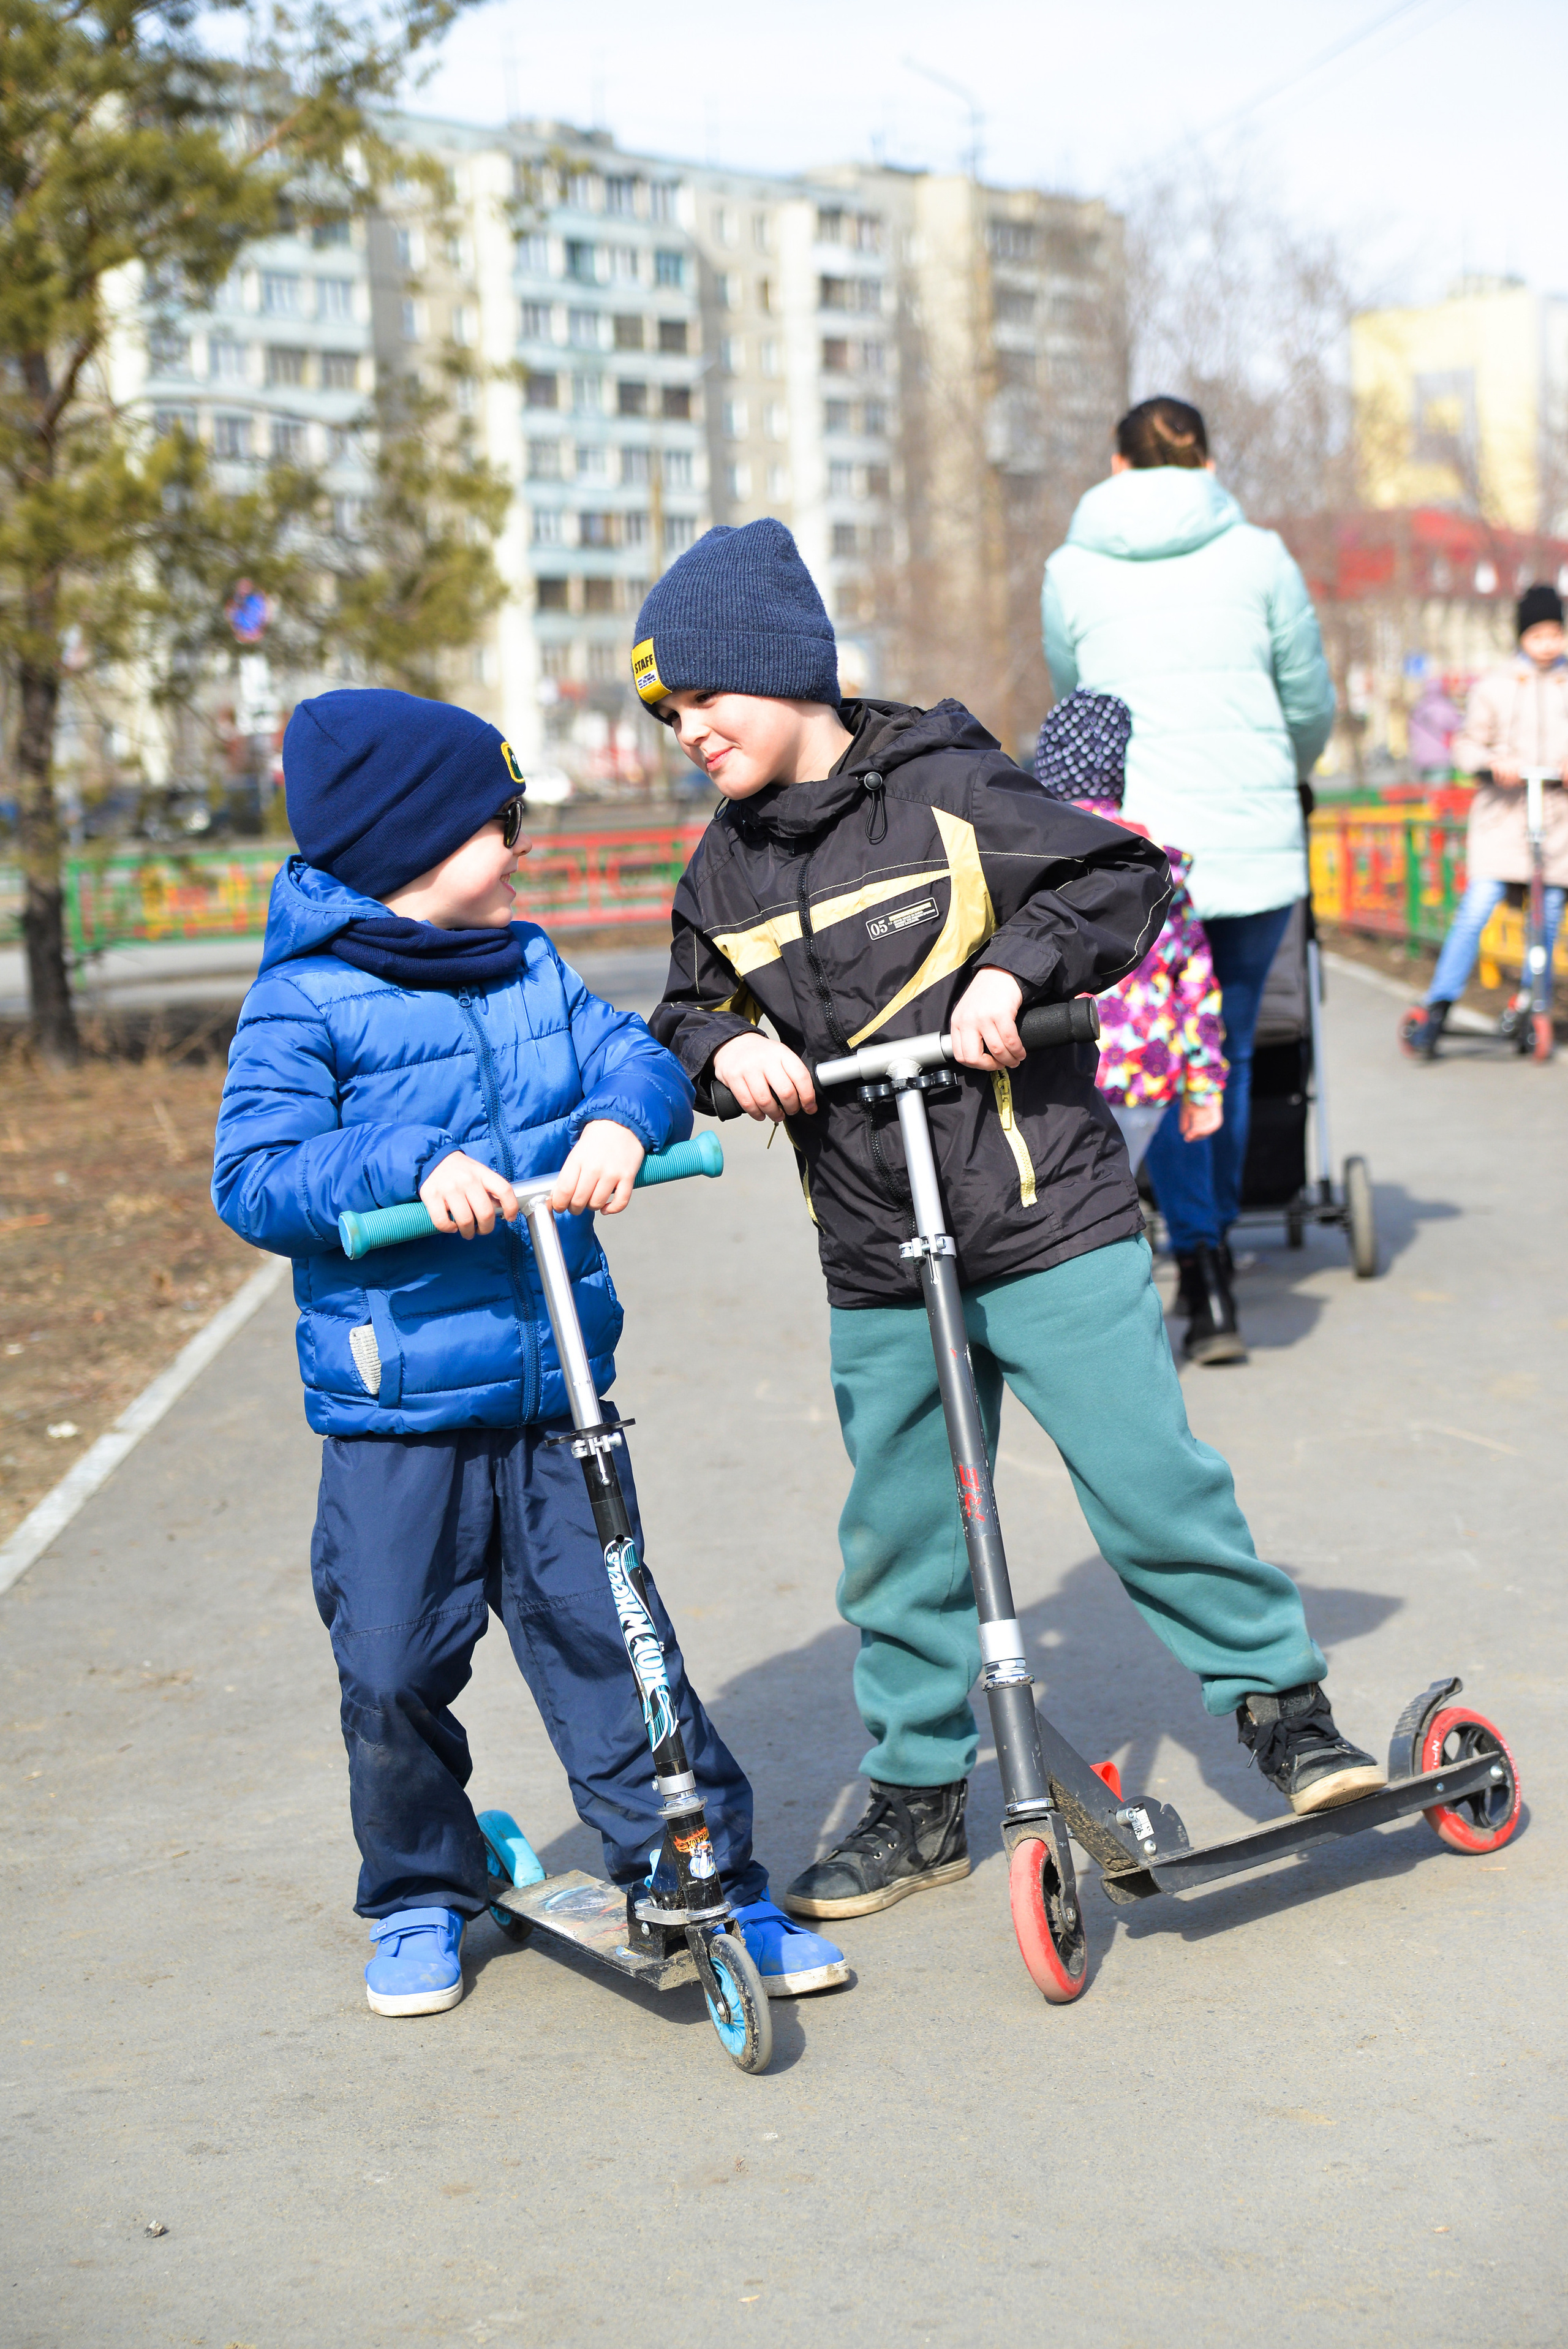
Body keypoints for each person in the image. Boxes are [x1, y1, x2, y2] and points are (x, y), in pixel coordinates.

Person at [643, 518, 1382, 1924]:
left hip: (1044, 1213)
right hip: (874, 1245)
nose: (686, 729)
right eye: (665, 710)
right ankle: (918, 1795)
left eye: (700, 698)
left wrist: (1011, 967)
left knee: (1147, 1480)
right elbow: (684, 1001)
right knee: (901, 1533)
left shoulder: (945, 785)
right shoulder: (723, 867)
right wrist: (714, 1051)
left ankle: (1283, 1711)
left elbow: (1117, 875)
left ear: (781, 671)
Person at [211, 687, 848, 2014]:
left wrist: (623, 1119)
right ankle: (420, 1890)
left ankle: (706, 1880)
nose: (521, 851)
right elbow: (257, 1177)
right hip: (398, 1413)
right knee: (388, 1665)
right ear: (413, 847)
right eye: (501, 828)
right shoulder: (304, 1004)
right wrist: (403, 1164)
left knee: (617, 1647)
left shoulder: (532, 971)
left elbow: (633, 1056)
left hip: (552, 1387)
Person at [1041, 396, 1336, 1360]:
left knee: (1154, 1056)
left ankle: (1192, 1251)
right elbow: (1306, 699)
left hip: (1137, 854)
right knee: (1231, 1049)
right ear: (1206, 460)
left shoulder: (1072, 570)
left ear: (1117, 466)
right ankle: (1215, 1267)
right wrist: (1279, 768)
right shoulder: (1262, 556)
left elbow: (1075, 703)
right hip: (1250, 839)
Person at [1034, 690, 1234, 1361]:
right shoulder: (1154, 863)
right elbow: (1195, 983)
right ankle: (1211, 1305)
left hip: (1066, 1066)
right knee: (1141, 1187)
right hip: (1150, 1069)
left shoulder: (1029, 861)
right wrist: (1203, 1084)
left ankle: (1113, 1346)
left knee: (1093, 1211)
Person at [1401, 584, 1568, 1059]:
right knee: (1479, 906)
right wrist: (1495, 763)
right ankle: (1439, 1003)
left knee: (1549, 913)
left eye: (1556, 633)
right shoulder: (1496, 685)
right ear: (1523, 636)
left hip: (1555, 821)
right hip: (1504, 817)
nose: (1549, 643)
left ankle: (1531, 1002)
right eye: (1539, 634)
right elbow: (1468, 744)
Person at [1408, 670, 1464, 784]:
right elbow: (1458, 727)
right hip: (1440, 759)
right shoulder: (1445, 709)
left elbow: (1410, 733)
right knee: (1439, 796)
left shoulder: (1418, 709)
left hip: (1421, 759)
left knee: (1426, 796)